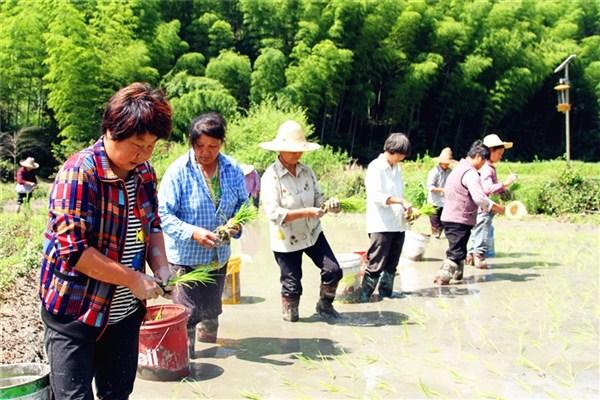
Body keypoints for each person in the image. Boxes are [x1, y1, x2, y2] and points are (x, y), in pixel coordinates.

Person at [38, 82, 173, 400]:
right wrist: (132, 278)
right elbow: (75, 252)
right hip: (75, 310)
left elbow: (152, 224)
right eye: (137, 145)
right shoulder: (79, 173)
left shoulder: (144, 174)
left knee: (117, 394)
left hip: (123, 313)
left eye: (151, 146)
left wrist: (162, 266)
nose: (143, 155)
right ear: (113, 129)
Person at [158, 112, 247, 355]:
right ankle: (186, 361)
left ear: (222, 143)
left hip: (218, 257)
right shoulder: (178, 172)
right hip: (184, 259)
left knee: (211, 311)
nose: (206, 152)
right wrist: (192, 232)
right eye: (200, 146)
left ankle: (211, 353)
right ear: (190, 141)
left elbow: (244, 205)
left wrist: (236, 223)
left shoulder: (232, 169)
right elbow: (163, 214)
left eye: (213, 146)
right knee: (186, 314)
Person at [260, 120, 343, 321]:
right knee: (292, 285)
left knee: (333, 270)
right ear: (280, 149)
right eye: (291, 150)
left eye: (299, 149)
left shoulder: (307, 172)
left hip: (312, 231)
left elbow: (318, 200)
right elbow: (273, 213)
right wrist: (306, 212)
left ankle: (325, 306)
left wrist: (330, 205)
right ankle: (291, 324)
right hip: (286, 239)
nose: (297, 154)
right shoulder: (270, 177)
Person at [434, 140, 505, 285]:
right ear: (479, 157)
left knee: (459, 248)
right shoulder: (470, 173)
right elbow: (479, 197)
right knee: (455, 252)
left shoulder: (458, 169)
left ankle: (458, 275)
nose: (484, 164)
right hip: (459, 218)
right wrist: (495, 207)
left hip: (450, 216)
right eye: (484, 161)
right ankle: (443, 276)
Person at [360, 133, 414, 302]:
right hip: (381, 224)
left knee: (392, 262)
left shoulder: (397, 168)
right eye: (401, 154)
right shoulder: (375, 167)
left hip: (398, 223)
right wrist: (400, 201)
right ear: (392, 150)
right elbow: (376, 196)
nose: (403, 158)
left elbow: (399, 194)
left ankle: (386, 292)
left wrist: (406, 211)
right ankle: (364, 296)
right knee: (376, 263)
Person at [466, 134, 517, 268]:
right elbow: (487, 188)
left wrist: (502, 191)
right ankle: (479, 259)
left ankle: (470, 257)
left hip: (476, 206)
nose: (501, 156)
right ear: (490, 151)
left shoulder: (485, 167)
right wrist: (506, 183)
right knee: (482, 231)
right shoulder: (487, 168)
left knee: (475, 232)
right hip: (484, 207)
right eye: (499, 153)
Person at [426, 147, 454, 238]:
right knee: (435, 227)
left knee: (443, 224)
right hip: (434, 202)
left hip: (445, 203)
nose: (446, 164)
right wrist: (443, 190)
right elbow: (430, 187)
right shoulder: (434, 172)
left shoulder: (450, 172)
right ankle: (435, 238)